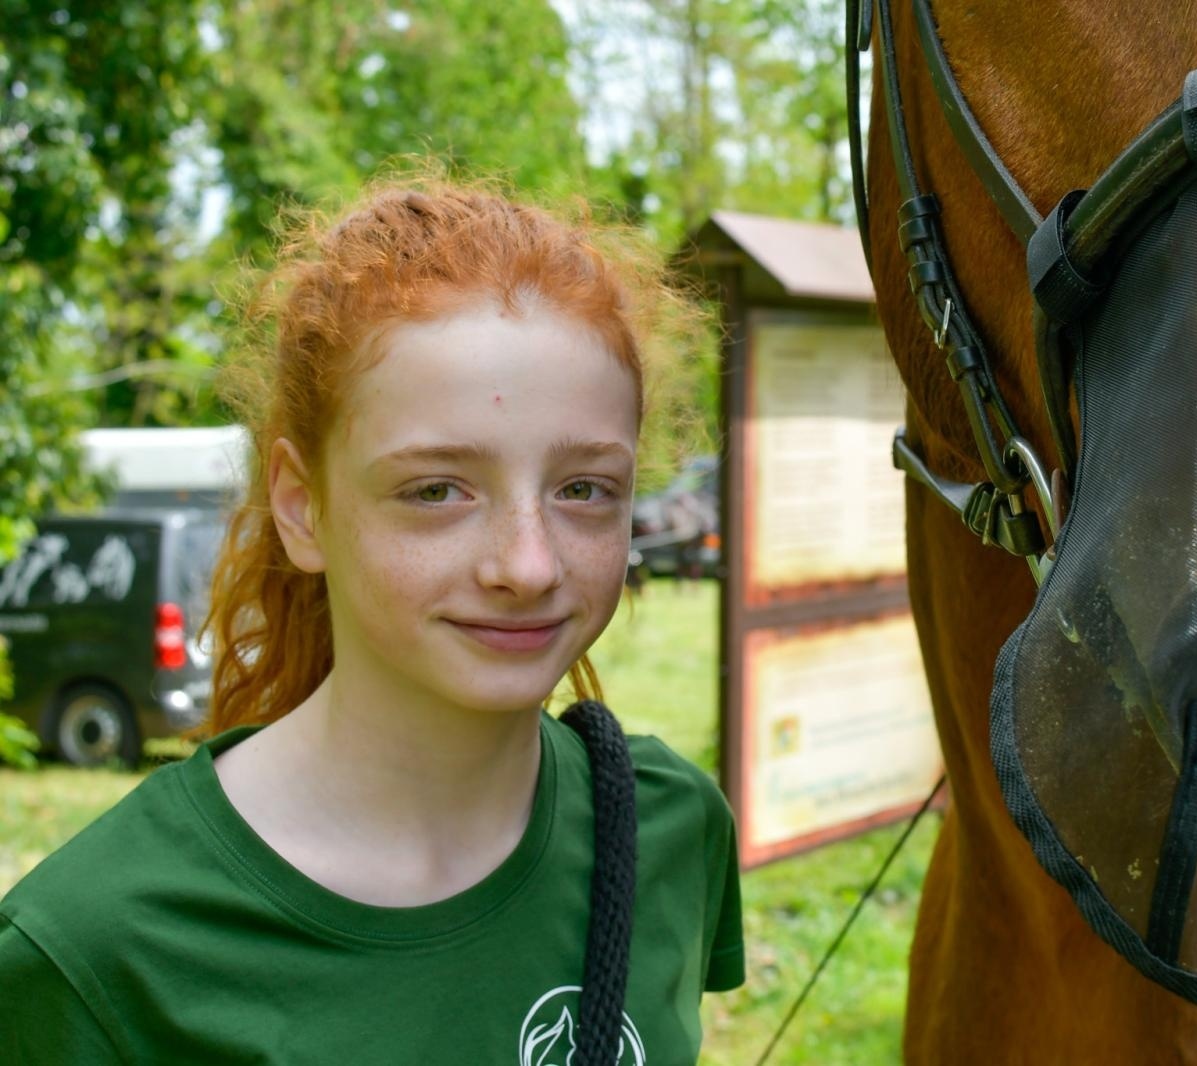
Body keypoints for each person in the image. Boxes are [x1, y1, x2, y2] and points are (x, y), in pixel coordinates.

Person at [0, 181, 744, 1063]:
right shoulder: (91, 953)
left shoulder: (669, 825)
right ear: (302, 507)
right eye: (436, 491)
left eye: (584, 488)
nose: (529, 565)